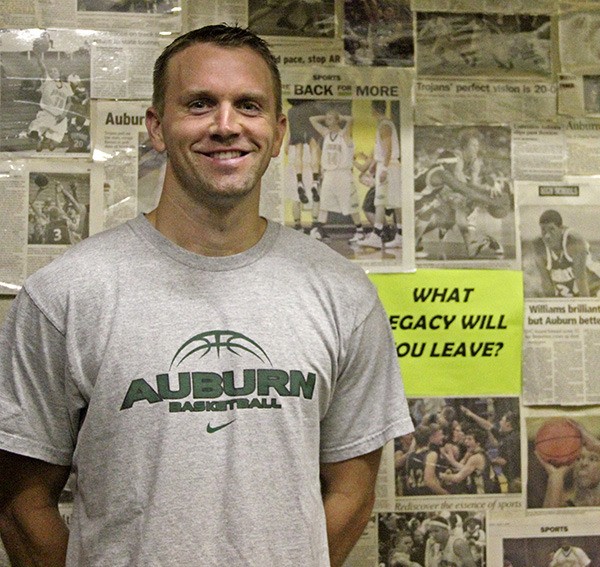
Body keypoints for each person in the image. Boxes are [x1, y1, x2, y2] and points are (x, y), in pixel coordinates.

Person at [0, 24, 412, 566]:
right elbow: (20, 505)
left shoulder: (344, 295)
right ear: (156, 126)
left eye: (248, 105)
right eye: (199, 104)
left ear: (279, 130)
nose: (226, 125)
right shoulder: (65, 296)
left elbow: (351, 493)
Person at [308, 110, 364, 242]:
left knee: (351, 205)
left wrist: (340, 117)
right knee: (324, 204)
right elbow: (312, 119)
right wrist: (328, 116)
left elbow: (350, 120)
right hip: (329, 175)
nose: (327, 121)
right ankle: (320, 231)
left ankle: (360, 231)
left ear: (337, 120)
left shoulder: (344, 135)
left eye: (330, 119)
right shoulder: (326, 134)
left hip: (343, 174)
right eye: (326, 119)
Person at [360, 100, 403, 249]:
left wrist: (383, 168)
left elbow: (388, 150)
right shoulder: (386, 124)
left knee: (380, 202)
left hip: (388, 166)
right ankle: (400, 236)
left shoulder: (385, 125)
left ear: (374, 109)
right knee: (395, 203)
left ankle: (376, 236)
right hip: (390, 165)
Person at [533, 209, 600, 297]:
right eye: (543, 230)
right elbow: (546, 283)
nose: (547, 235)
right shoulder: (539, 247)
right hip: (572, 292)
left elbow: (581, 280)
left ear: (561, 229)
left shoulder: (575, 242)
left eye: (551, 229)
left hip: (594, 285)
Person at [537, 421, 600, 508]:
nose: (583, 463)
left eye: (593, 459)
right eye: (578, 458)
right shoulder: (565, 505)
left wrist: (596, 446)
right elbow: (548, 520)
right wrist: (556, 476)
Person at [26, 53, 74, 152]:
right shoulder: (47, 81)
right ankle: (40, 138)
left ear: (59, 73)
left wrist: (64, 115)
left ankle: (45, 139)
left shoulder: (66, 85)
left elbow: (69, 102)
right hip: (47, 114)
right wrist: (39, 57)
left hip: (60, 117)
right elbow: (43, 68)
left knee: (52, 147)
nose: (52, 73)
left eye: (54, 71)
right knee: (33, 133)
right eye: (51, 71)